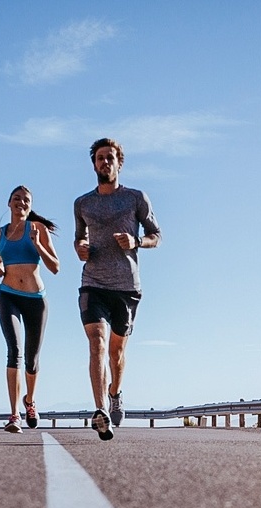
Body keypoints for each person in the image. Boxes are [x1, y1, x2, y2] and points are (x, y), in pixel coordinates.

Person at [74, 138, 161, 440]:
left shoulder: (136, 198)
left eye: (110, 158)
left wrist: (137, 241)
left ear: (119, 163)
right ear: (94, 164)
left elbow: (156, 235)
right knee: (96, 341)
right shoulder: (83, 203)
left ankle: (115, 393)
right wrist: (80, 248)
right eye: (99, 158)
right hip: (93, 282)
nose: (104, 162)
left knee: (116, 352)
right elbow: (79, 238)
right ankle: (99, 410)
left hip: (126, 286)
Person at [0, 185, 59, 433]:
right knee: (14, 351)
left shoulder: (37, 229)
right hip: (8, 296)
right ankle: (14, 415)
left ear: (30, 206)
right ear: (9, 203)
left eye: (26, 200)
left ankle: (29, 401)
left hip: (35, 300)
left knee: (32, 360)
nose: (21, 202)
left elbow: (55, 267)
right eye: (17, 199)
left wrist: (38, 245)